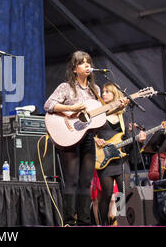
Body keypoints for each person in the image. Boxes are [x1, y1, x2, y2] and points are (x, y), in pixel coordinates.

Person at [44, 51, 125, 226]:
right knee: (71, 180)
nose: (87, 65)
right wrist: (73, 107)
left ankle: (85, 221)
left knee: (86, 181)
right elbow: (48, 104)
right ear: (74, 69)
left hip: (88, 138)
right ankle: (69, 221)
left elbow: (98, 115)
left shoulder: (95, 90)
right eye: (82, 63)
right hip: (70, 138)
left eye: (89, 62)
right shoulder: (65, 87)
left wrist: (117, 106)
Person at [92, 83, 146, 225]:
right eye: (103, 91)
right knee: (106, 195)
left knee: (123, 194)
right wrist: (95, 139)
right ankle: (102, 224)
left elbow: (127, 137)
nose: (104, 94)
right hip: (105, 159)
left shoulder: (124, 115)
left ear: (115, 94)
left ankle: (121, 222)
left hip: (121, 159)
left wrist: (138, 140)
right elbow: (88, 134)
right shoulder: (99, 113)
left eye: (108, 92)